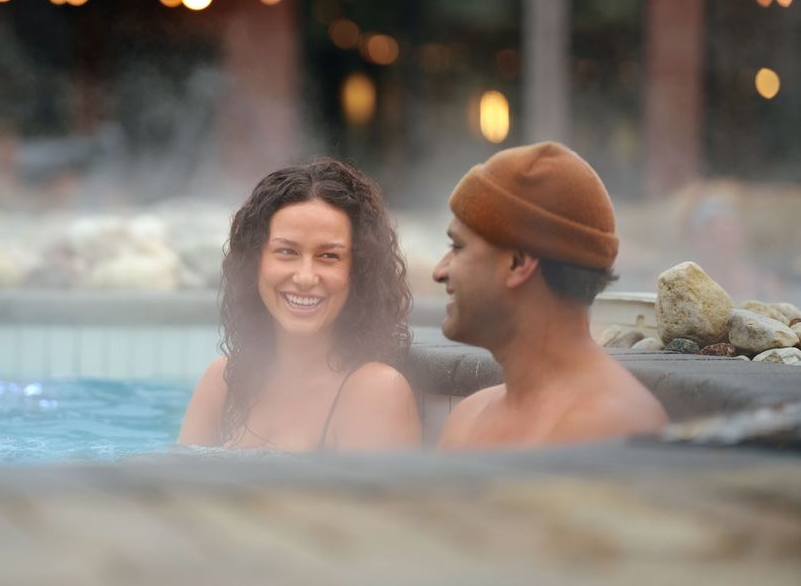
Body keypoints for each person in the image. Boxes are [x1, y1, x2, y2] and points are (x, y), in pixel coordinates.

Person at [433, 141, 668, 449]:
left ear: (517, 263)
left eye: (458, 247)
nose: (439, 271)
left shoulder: (613, 427)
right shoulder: (467, 418)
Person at [178, 158, 422, 451]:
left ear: (358, 272)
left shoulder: (375, 391)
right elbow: (168, 491)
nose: (305, 277)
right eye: (287, 251)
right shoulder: (223, 383)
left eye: (328, 256)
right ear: (256, 263)